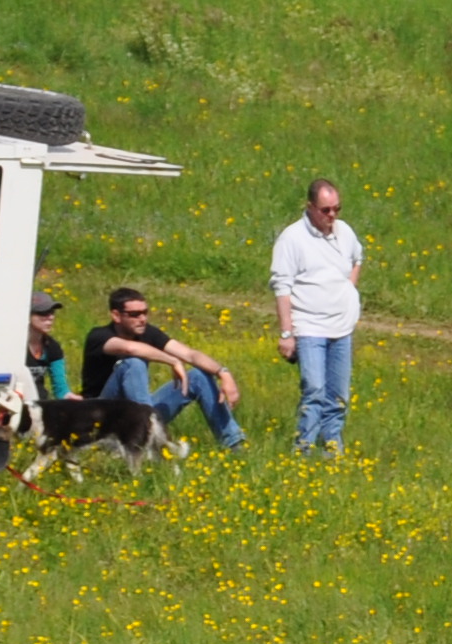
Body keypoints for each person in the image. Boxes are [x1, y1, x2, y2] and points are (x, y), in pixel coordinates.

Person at [269, 177, 365, 451]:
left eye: (337, 208)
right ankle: (303, 448)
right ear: (310, 206)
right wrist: (287, 333)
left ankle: (332, 447)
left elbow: (357, 258)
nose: (332, 215)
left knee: (339, 395)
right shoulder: (292, 239)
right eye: (325, 210)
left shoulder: (344, 233)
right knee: (314, 391)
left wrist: (349, 289)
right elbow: (282, 288)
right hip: (309, 326)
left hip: (341, 328)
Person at [82, 286, 244, 449]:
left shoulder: (147, 333)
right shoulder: (99, 336)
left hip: (137, 413)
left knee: (198, 376)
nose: (142, 319)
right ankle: (147, 436)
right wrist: (173, 361)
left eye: (145, 312)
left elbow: (190, 354)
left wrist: (223, 373)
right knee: (133, 363)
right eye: (135, 314)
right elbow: (130, 349)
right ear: (116, 315)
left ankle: (234, 443)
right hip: (102, 418)